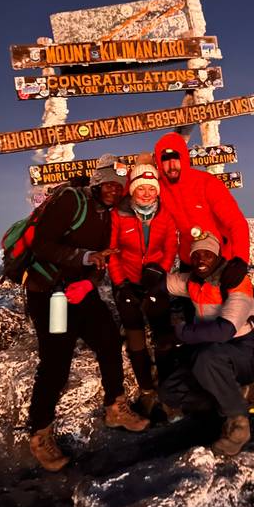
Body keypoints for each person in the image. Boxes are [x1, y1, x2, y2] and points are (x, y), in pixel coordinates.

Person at [25, 155, 149, 472]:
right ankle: (40, 434)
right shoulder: (70, 200)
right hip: (50, 294)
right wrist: (84, 258)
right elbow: (42, 245)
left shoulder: (106, 213)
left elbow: (100, 259)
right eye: (108, 182)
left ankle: (115, 407)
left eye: (118, 185)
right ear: (96, 181)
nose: (113, 189)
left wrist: (90, 279)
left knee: (108, 340)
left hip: (80, 291)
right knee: (56, 361)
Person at [157, 230, 254, 456]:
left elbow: (224, 331)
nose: (201, 260)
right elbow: (164, 283)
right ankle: (232, 396)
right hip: (208, 351)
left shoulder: (236, 283)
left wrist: (178, 334)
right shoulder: (194, 280)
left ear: (217, 256)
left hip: (241, 352)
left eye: (207, 254)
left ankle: (238, 425)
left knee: (207, 358)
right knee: (170, 391)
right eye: (196, 255)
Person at [108, 153, 178, 416]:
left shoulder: (165, 215)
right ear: (133, 190)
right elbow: (112, 250)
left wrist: (160, 269)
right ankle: (147, 391)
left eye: (152, 189)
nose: (147, 194)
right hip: (127, 283)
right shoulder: (119, 215)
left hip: (154, 281)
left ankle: (169, 391)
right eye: (142, 188)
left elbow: (171, 245)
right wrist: (121, 285)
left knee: (163, 336)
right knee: (136, 339)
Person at [154, 132, 250, 290]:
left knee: (237, 304)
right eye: (165, 160)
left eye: (176, 158)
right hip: (189, 259)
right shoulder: (159, 189)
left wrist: (240, 259)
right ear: (159, 162)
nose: (171, 166)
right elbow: (134, 191)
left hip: (219, 257)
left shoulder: (207, 183)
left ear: (184, 157)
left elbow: (236, 222)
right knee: (192, 309)